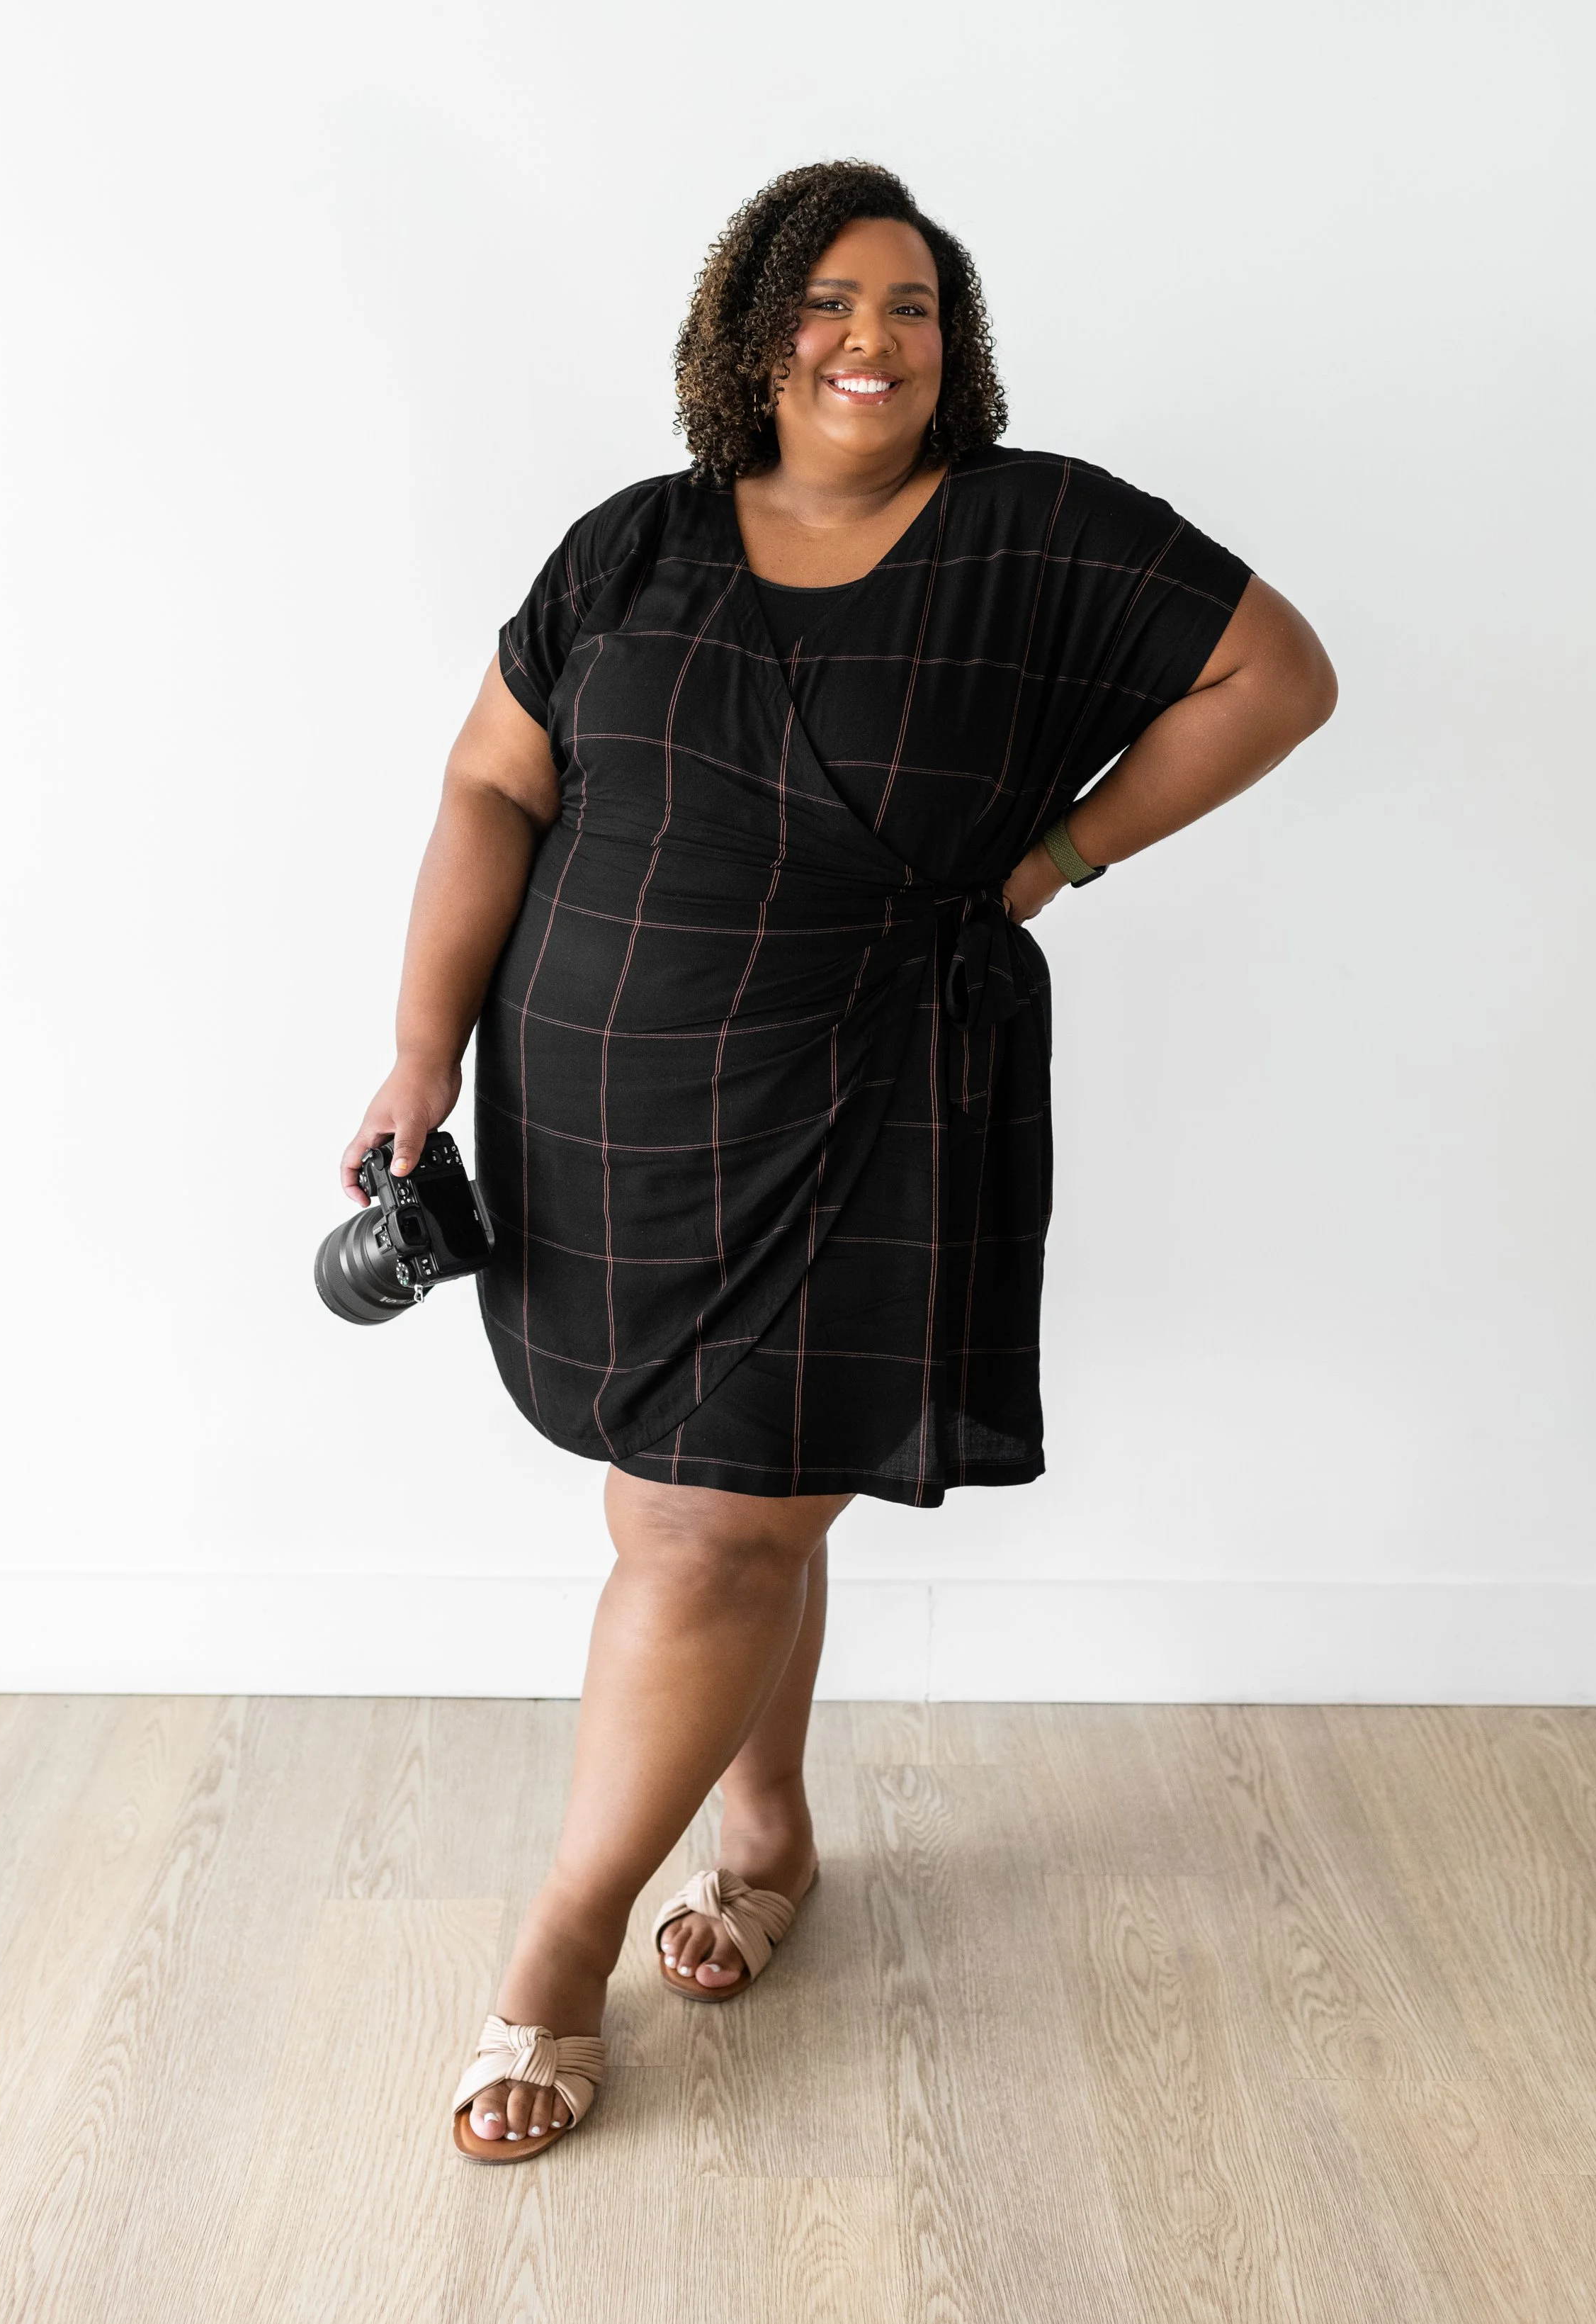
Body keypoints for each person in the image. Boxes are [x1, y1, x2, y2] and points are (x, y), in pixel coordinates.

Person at [339, 161, 1337, 2161]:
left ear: (949, 345)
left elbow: (1276, 677)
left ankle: (555, 1950)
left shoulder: (1033, 531)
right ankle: (771, 1828)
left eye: (908, 306)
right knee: (696, 1524)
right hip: (596, 1106)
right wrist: (417, 1053)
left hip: (858, 1093)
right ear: (749, 334)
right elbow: (488, 779)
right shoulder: (630, 549)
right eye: (825, 302)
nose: (869, 341)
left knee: (716, 1530)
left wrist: (1053, 859)